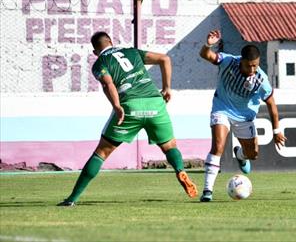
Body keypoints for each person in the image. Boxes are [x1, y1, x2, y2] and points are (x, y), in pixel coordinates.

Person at [57, 31, 198, 206]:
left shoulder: (100, 63)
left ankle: (72, 199)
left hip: (130, 106)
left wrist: (117, 106)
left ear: (95, 51)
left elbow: (108, 84)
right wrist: (167, 88)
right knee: (170, 146)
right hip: (155, 103)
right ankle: (180, 170)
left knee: (101, 152)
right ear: (111, 41)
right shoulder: (132, 52)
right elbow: (165, 59)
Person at [199, 30, 287, 202]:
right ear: (242, 60)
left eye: (256, 65)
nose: (252, 69)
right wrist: (209, 44)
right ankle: (207, 190)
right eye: (249, 66)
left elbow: (271, 104)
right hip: (222, 108)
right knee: (218, 146)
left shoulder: (261, 80)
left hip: (244, 117)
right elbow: (205, 55)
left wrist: (276, 130)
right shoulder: (229, 61)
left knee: (252, 154)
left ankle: (240, 155)